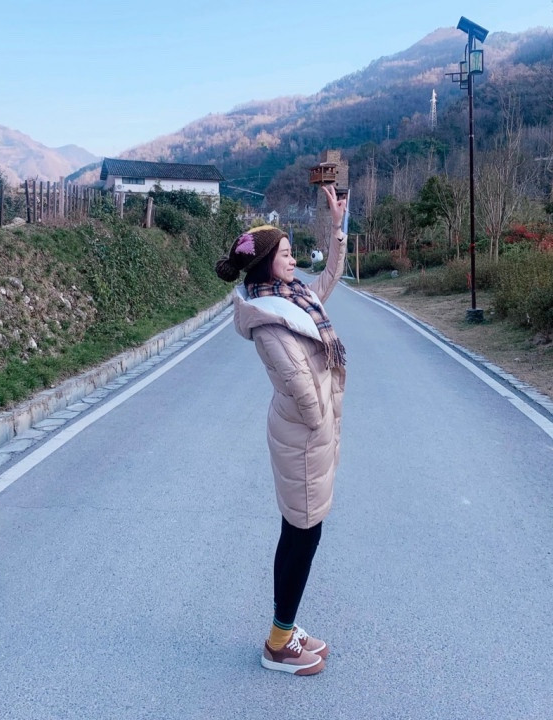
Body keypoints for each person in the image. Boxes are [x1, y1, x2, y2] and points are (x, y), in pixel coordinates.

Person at [215, 185, 348, 676]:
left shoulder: (292, 298)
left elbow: (330, 276)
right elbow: (298, 384)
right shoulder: (269, 318)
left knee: (302, 531)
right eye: (286, 254)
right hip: (304, 437)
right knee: (302, 535)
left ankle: (284, 628)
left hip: (310, 435)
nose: (294, 260)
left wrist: (337, 227)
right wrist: (321, 420)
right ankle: (278, 644)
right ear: (266, 263)